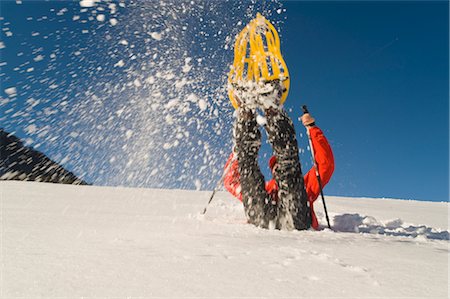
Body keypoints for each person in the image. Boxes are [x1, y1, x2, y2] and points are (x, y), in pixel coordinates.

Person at [224, 104, 334, 230]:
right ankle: (246, 120)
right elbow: (231, 181)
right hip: (265, 222)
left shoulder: (305, 186)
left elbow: (326, 164)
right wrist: (238, 154)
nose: (277, 169)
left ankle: (273, 111)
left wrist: (313, 129)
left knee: (289, 172)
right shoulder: (268, 189)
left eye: (279, 166)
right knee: (249, 177)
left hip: (297, 223)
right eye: (276, 167)